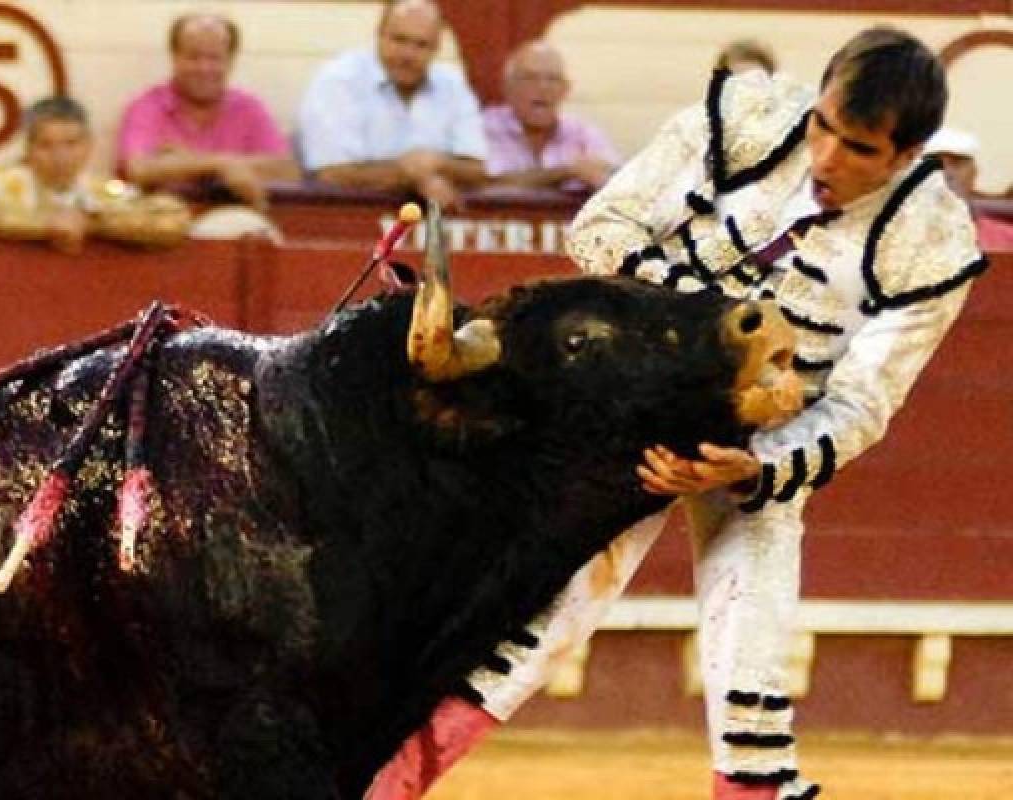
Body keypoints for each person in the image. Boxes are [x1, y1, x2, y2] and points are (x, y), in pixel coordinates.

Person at [370, 26, 987, 800]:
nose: (825, 157)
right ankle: (378, 788)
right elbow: (601, 228)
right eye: (822, 126)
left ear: (907, 157)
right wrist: (698, 334)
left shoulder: (930, 242)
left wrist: (757, 466)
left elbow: (862, 402)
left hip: (760, 443)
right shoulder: (749, 119)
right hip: (630, 414)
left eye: (858, 149)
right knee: (537, 624)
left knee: (752, 657)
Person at [116, 12, 296, 239]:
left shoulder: (249, 108)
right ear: (175, 57)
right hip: (161, 241)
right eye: (193, 57)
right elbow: (138, 169)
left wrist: (186, 161)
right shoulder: (147, 106)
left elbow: (287, 169)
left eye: (214, 58)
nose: (204, 68)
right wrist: (221, 165)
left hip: (239, 237)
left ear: (230, 61)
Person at [298, 0, 487, 210]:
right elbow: (331, 174)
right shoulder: (339, 81)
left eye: (421, 45)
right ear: (379, 36)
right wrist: (413, 177)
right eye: (399, 40)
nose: (408, 55)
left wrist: (437, 162)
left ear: (436, 49)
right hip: (352, 217)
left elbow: (478, 170)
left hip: (435, 223)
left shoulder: (452, 85)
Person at [0, 96, 190, 253]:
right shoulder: (4, 185)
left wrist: (94, 223)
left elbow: (173, 219)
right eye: (46, 145)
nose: (60, 156)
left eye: (71, 144)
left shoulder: (101, 191)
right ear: (28, 148)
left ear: (89, 145)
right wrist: (45, 224)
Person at [482, 39, 622, 191]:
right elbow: (489, 181)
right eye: (530, 78)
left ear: (565, 90)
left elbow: (616, 177)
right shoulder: (483, 127)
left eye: (553, 79)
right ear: (507, 88)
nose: (543, 87)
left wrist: (599, 176)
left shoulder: (581, 132)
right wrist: (567, 172)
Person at [923, 127, 1013, 250]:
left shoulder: (1006, 239)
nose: (948, 174)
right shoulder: (897, 233)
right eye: (935, 165)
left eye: (957, 164)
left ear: (974, 173)